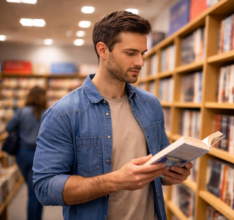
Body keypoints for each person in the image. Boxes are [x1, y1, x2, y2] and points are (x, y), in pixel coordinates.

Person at [33, 11, 193, 220]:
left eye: (142, 53)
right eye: (131, 53)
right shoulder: (63, 113)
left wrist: (173, 174)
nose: (140, 62)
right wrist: (116, 180)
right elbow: (45, 188)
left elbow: (158, 171)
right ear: (103, 50)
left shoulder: (150, 104)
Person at [6, 86, 46, 220]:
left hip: (22, 154)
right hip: (40, 156)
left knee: (34, 190)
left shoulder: (21, 112)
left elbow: (8, 127)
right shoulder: (46, 113)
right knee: (36, 191)